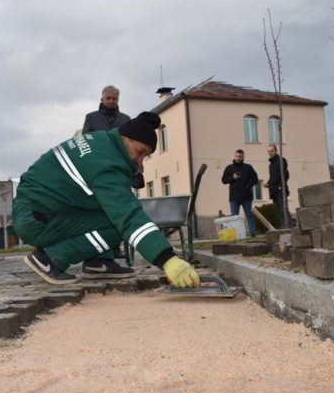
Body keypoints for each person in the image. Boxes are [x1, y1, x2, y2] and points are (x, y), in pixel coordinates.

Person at [13, 112, 200, 288]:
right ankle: (49, 258)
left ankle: (98, 262)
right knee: (117, 224)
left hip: (37, 208)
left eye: (145, 156)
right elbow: (128, 216)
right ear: (125, 139)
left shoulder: (101, 142)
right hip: (37, 219)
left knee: (106, 210)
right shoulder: (106, 165)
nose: (140, 161)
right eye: (140, 152)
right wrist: (167, 259)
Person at [82, 85, 138, 267]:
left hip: (120, 169)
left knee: (119, 208)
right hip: (98, 170)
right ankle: (99, 248)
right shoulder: (91, 118)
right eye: (109, 98)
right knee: (100, 209)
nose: (111, 101)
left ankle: (116, 247)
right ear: (102, 99)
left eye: (114, 98)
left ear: (118, 100)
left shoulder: (126, 119)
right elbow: (84, 142)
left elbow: (131, 144)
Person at [221, 149, 258, 237]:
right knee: (235, 217)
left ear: (243, 157)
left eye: (240, 156)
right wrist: (232, 177)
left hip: (246, 196)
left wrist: (248, 186)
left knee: (249, 215)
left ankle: (253, 234)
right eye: (237, 156)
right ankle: (237, 235)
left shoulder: (248, 167)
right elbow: (223, 180)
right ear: (234, 156)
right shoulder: (229, 168)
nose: (238, 158)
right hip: (234, 197)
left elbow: (255, 179)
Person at [263, 144, 293, 229]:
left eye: (272, 151)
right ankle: (283, 228)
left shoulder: (281, 160)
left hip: (280, 190)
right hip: (273, 190)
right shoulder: (271, 164)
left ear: (276, 151)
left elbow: (285, 175)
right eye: (269, 151)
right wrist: (268, 183)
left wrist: (279, 185)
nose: (270, 153)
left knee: (283, 210)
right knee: (278, 211)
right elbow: (273, 177)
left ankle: (290, 228)